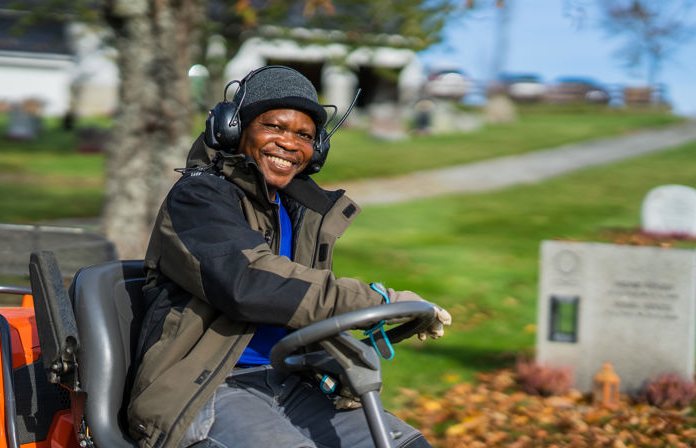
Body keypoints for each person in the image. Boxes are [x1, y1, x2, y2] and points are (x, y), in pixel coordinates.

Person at [126, 66, 452, 448]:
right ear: (233, 128)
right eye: (274, 127)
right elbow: (251, 282)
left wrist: (338, 359)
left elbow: (303, 303)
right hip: (205, 389)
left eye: (304, 135)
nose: (288, 143)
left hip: (290, 382)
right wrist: (381, 299)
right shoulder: (198, 199)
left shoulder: (299, 211)